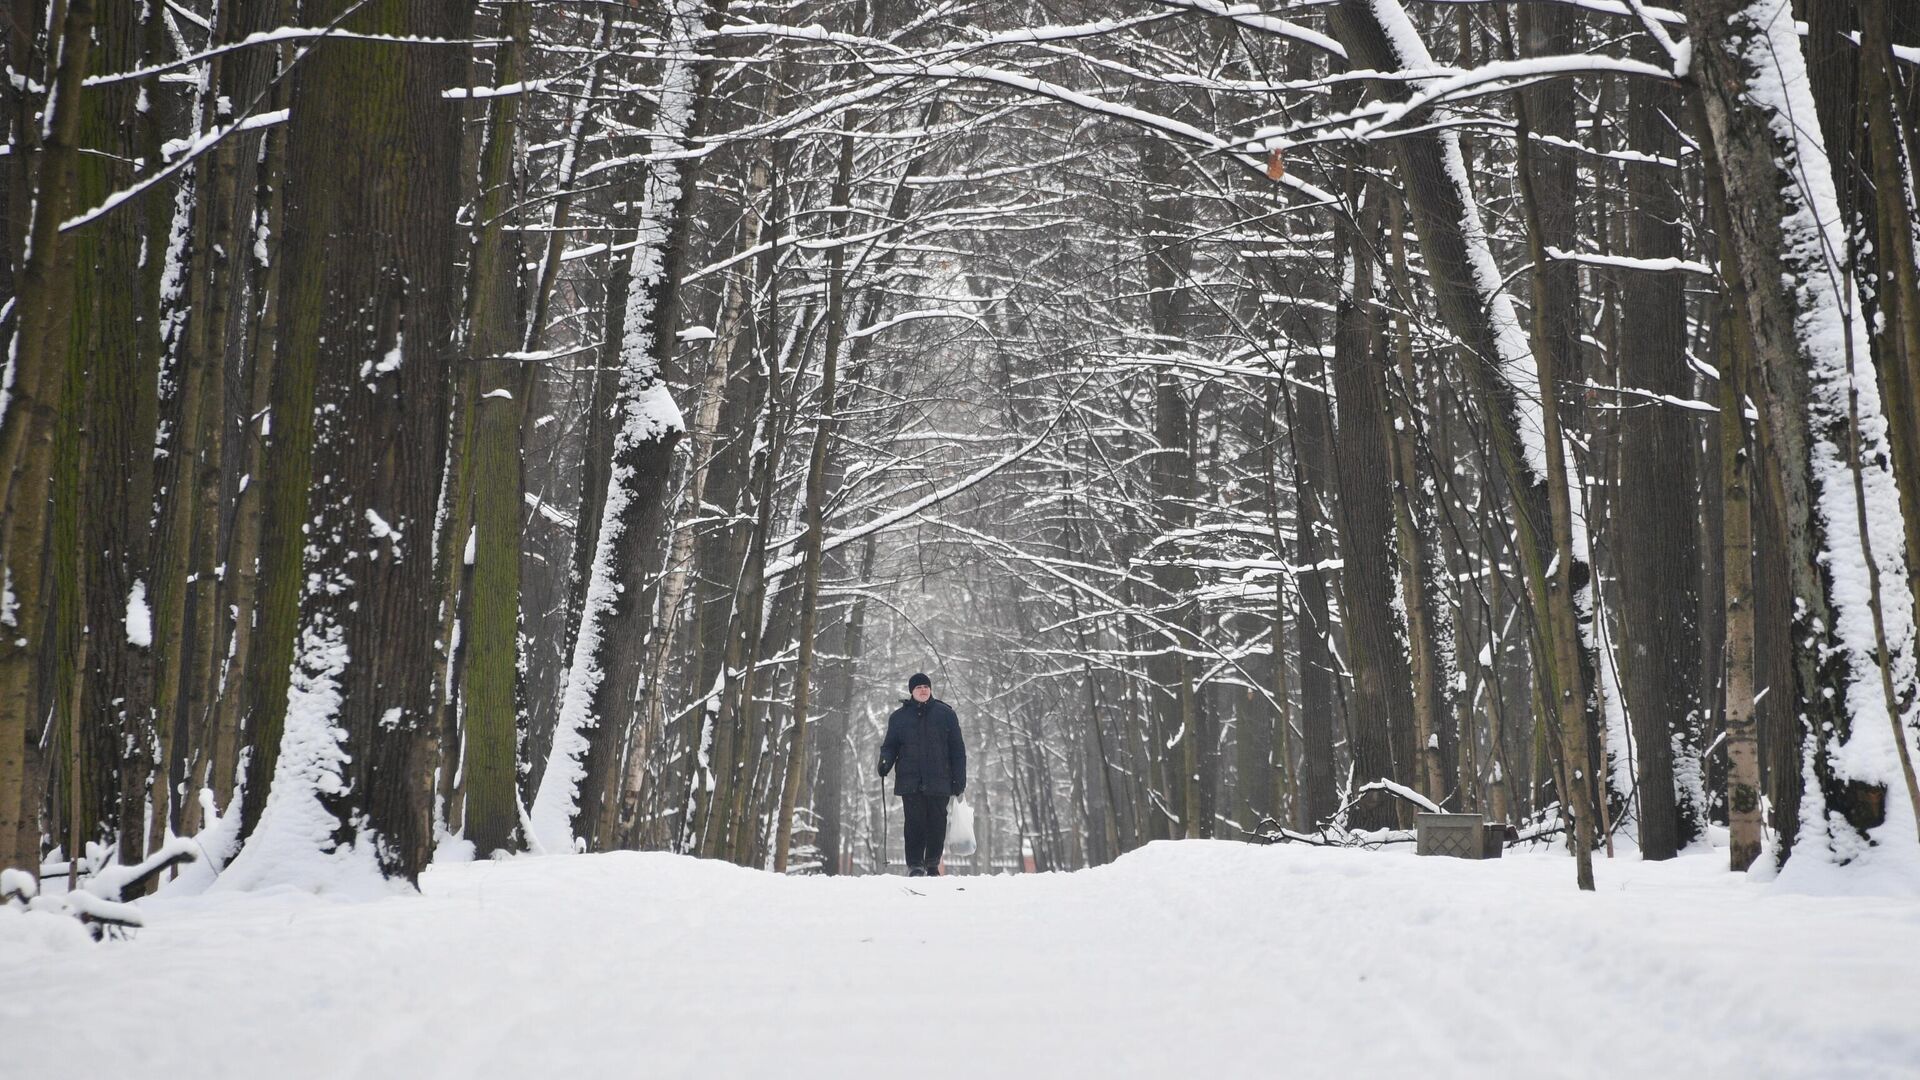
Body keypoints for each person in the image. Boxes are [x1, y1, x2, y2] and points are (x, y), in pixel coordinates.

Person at [878, 672, 966, 876]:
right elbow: (890, 746)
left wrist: (959, 778)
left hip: (940, 779)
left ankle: (932, 863)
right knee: (914, 823)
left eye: (926, 686)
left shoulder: (946, 714)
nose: (923, 690)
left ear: (931, 689)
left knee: (937, 823)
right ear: (911, 692)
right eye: (919, 687)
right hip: (911, 780)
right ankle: (916, 865)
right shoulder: (898, 718)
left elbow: (957, 750)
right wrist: (885, 763)